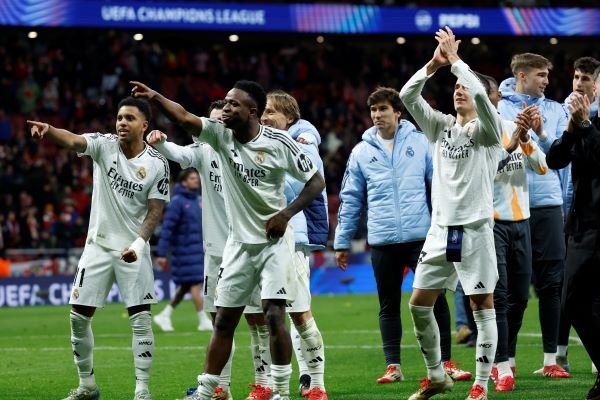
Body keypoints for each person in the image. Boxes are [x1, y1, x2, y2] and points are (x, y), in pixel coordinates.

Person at [131, 79, 326, 400]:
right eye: (225, 102)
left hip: (274, 244)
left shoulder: (280, 143)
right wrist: (154, 97)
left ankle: (280, 392)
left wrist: (286, 214)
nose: (226, 108)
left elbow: (315, 181)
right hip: (237, 246)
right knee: (224, 320)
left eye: (234, 104)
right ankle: (210, 389)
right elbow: (183, 117)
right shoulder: (219, 137)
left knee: (275, 313)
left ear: (253, 111)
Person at [27, 96, 170, 400]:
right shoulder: (104, 145)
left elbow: (155, 211)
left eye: (130, 118)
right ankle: (87, 386)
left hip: (134, 249)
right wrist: (49, 129)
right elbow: (74, 140)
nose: (121, 122)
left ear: (144, 125)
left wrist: (139, 244)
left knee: (141, 319)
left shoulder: (157, 163)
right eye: (119, 117)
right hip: (98, 247)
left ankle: (142, 390)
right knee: (78, 317)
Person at [333, 86, 471, 385]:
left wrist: (447, 228)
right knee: (388, 304)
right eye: (373, 110)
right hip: (382, 241)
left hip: (422, 237)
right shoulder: (361, 151)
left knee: (435, 301)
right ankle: (393, 366)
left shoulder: (421, 144)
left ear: (397, 112)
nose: (377, 115)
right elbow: (350, 198)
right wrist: (342, 241)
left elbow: (440, 188)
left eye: (382, 109)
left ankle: (446, 362)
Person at [399, 27, 502, 400]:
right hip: (440, 231)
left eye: (466, 88)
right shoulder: (440, 127)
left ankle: (480, 384)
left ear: (485, 100)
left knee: (481, 305)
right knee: (418, 305)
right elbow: (407, 96)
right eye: (455, 86)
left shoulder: (489, 132)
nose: (459, 89)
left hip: (474, 230)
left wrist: (458, 64)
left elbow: (479, 93)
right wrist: (433, 64)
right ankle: (437, 375)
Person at [242, 90, 329, 400]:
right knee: (260, 316)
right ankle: (265, 384)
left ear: (289, 118)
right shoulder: (256, 144)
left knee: (299, 313)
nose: (264, 118)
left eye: (271, 113)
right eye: (262, 112)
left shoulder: (303, 143)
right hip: (253, 240)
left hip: (292, 238)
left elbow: (299, 185)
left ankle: (316, 384)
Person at [147, 100, 234, 399]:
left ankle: (267, 384)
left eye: (216, 123)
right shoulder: (202, 151)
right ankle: (221, 386)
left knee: (258, 320)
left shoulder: (242, 150)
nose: (208, 129)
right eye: (205, 123)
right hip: (213, 251)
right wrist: (159, 142)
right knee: (217, 322)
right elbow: (177, 152)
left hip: (245, 248)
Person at [498, 53, 570, 378]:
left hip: (551, 202)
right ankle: (507, 361)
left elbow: (562, 158)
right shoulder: (499, 109)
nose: (546, 80)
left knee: (552, 284)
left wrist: (568, 204)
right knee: (515, 291)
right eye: (540, 75)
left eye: (546, 75)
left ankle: (551, 361)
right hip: (513, 209)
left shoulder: (556, 109)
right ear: (521, 76)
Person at [480, 73, 548, 392]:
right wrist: (510, 144)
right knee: (502, 296)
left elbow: (542, 167)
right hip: (492, 226)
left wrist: (524, 138)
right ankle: (501, 364)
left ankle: (507, 354)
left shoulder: (512, 129)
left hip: (522, 223)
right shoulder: (475, 137)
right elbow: (482, 172)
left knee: (521, 297)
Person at [546, 78, 600, 400]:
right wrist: (570, 129)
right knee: (574, 303)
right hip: (582, 227)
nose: (583, 87)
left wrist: (586, 125)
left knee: (580, 302)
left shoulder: (591, 124)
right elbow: (555, 160)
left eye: (589, 82)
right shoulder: (583, 122)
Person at [153, 168, 213, 332]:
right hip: (183, 251)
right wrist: (161, 253)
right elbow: (167, 228)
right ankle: (203, 320)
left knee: (187, 286)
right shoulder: (177, 202)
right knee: (195, 284)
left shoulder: (198, 200)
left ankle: (164, 315)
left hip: (197, 250)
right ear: (184, 181)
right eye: (193, 178)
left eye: (196, 178)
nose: (197, 181)